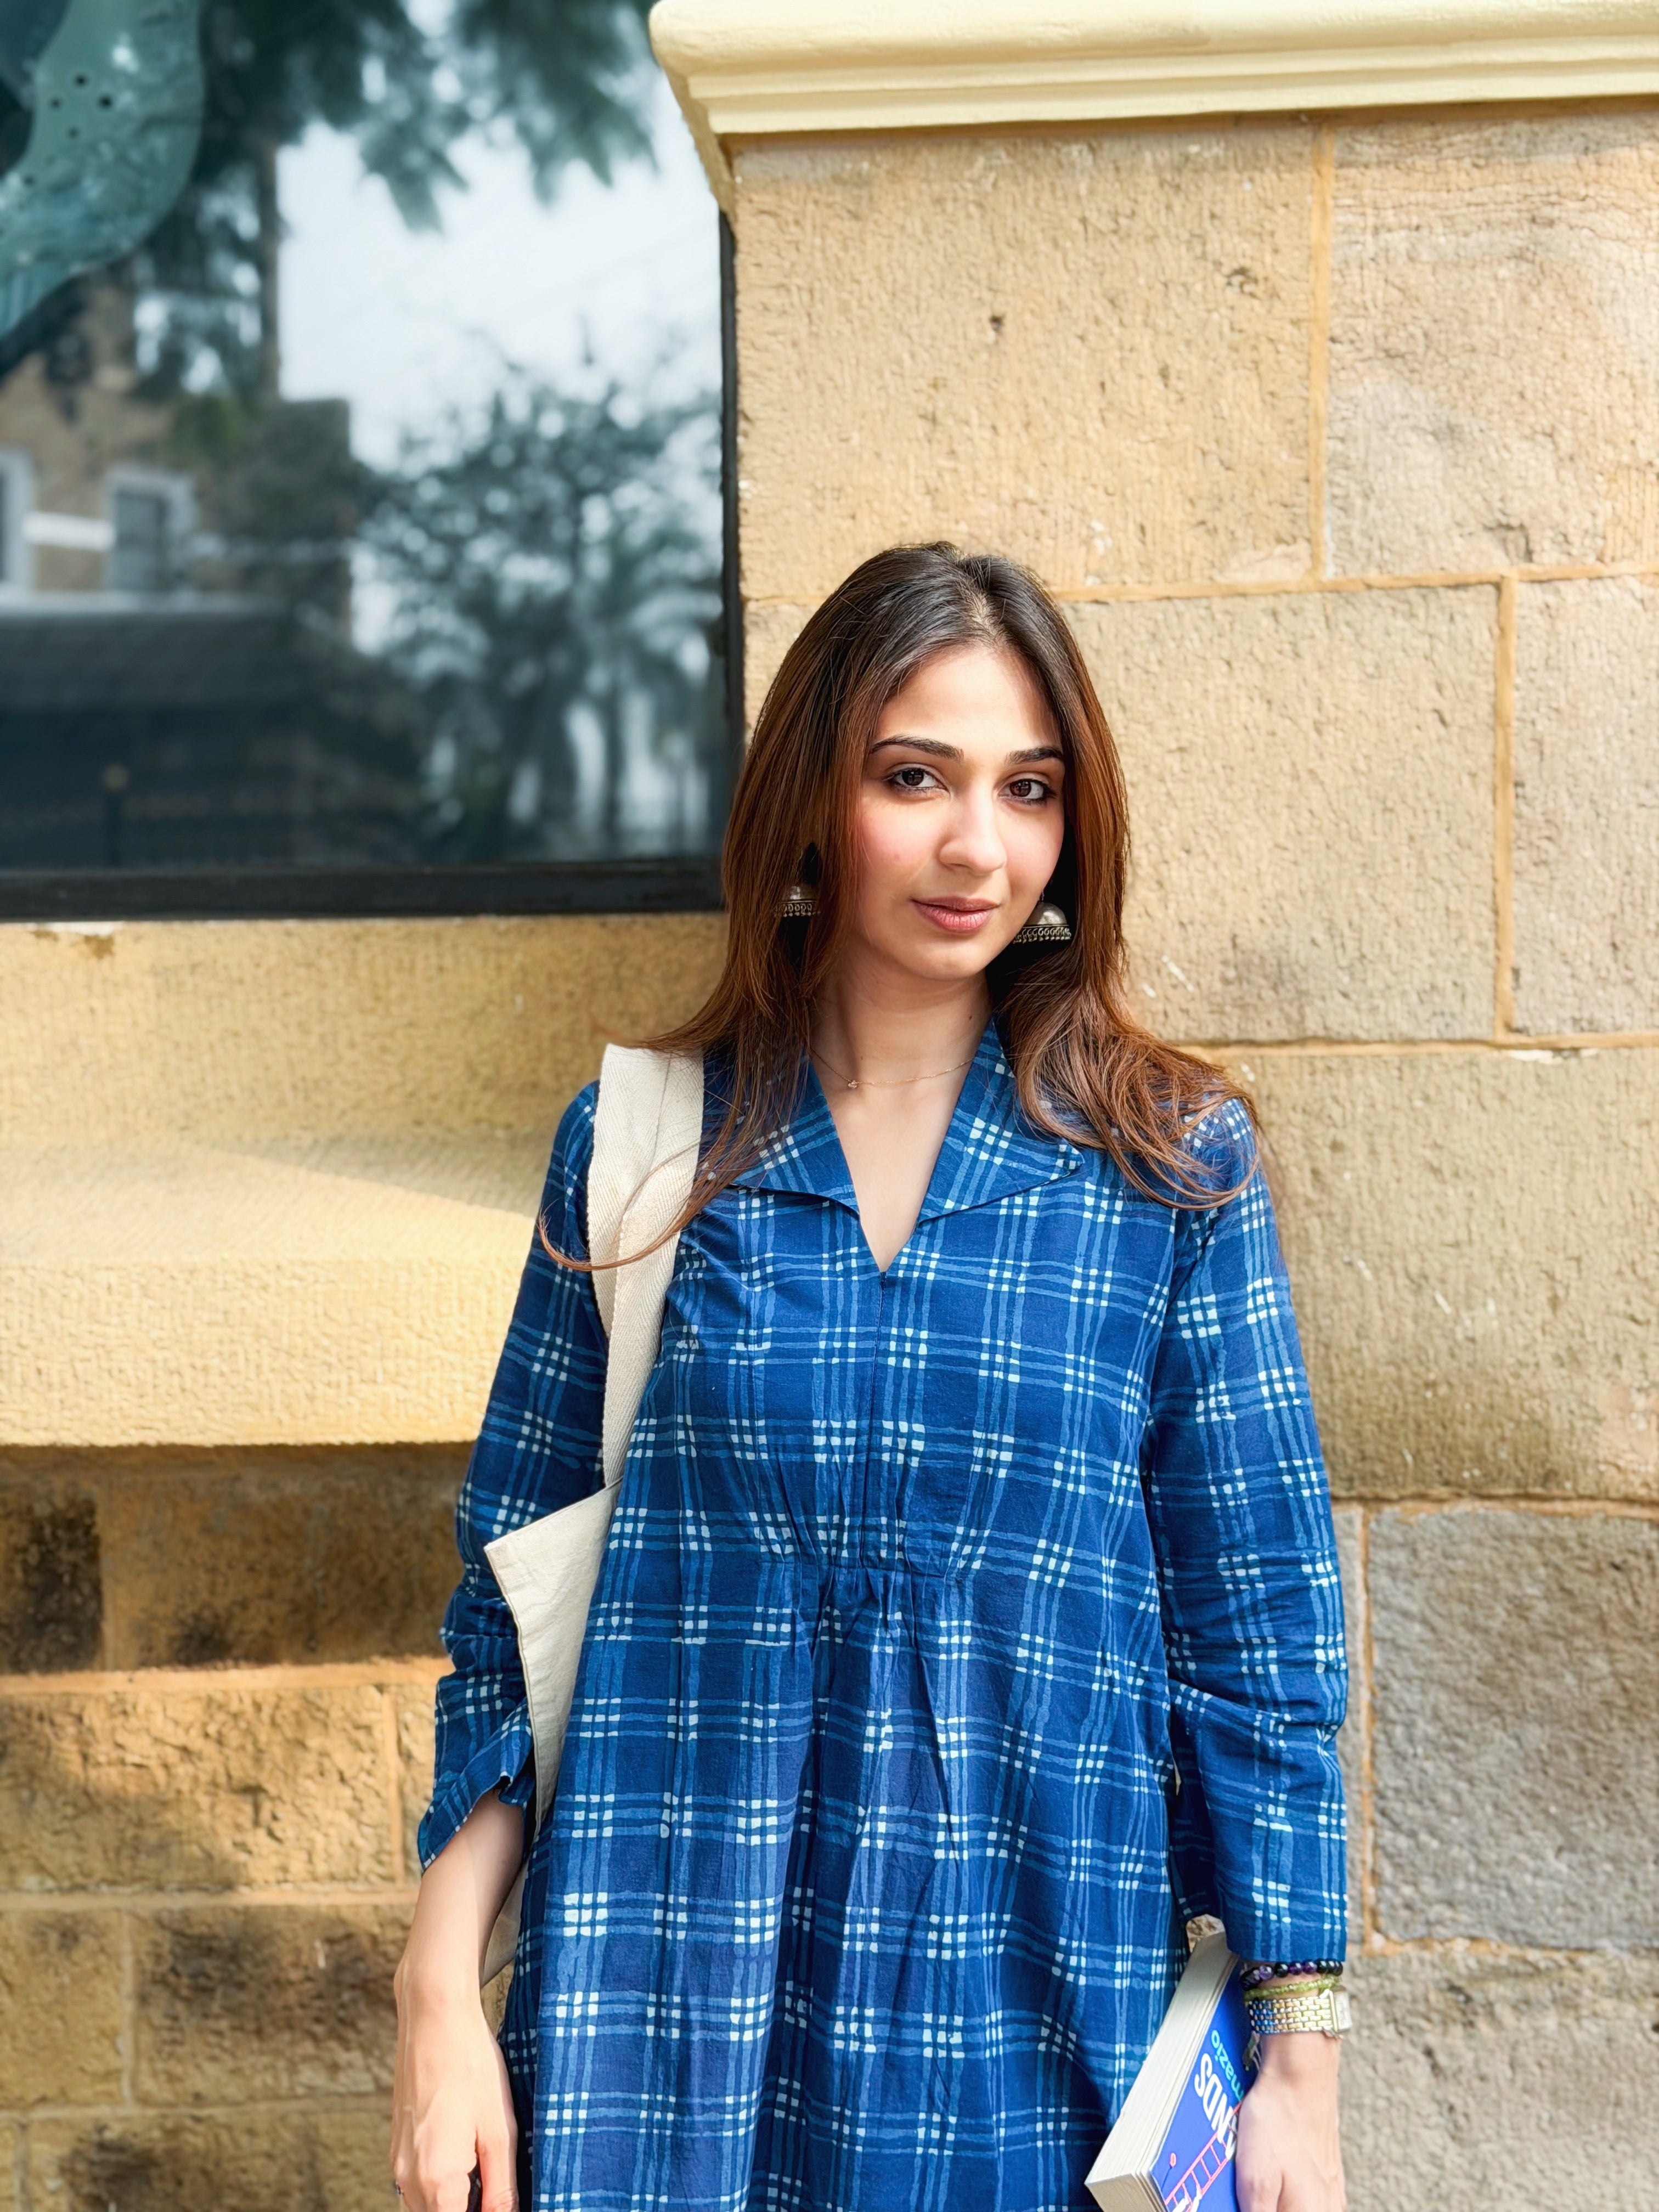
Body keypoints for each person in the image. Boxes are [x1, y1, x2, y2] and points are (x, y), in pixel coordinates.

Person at [391, 544, 1349, 2212]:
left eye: (1029, 788)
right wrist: (435, 2006)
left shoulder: (1166, 1169)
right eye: (916, 777)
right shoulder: (644, 1152)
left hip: (1033, 2027)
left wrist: (1298, 2069)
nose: (980, 846)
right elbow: (508, 1612)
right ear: (814, 798)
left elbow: (1261, 1642)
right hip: (658, 2022)